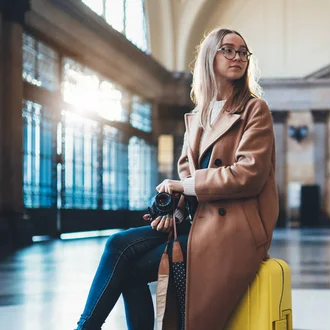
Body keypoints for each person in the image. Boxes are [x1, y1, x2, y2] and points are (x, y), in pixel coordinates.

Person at [76, 28, 278, 330]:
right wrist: (177, 210)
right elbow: (187, 174)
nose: (237, 57)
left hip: (235, 231)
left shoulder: (254, 109)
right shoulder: (198, 116)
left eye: (243, 52)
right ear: (210, 56)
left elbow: (248, 174)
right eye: (228, 50)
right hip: (197, 224)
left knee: (130, 269)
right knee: (117, 243)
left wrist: (182, 186)